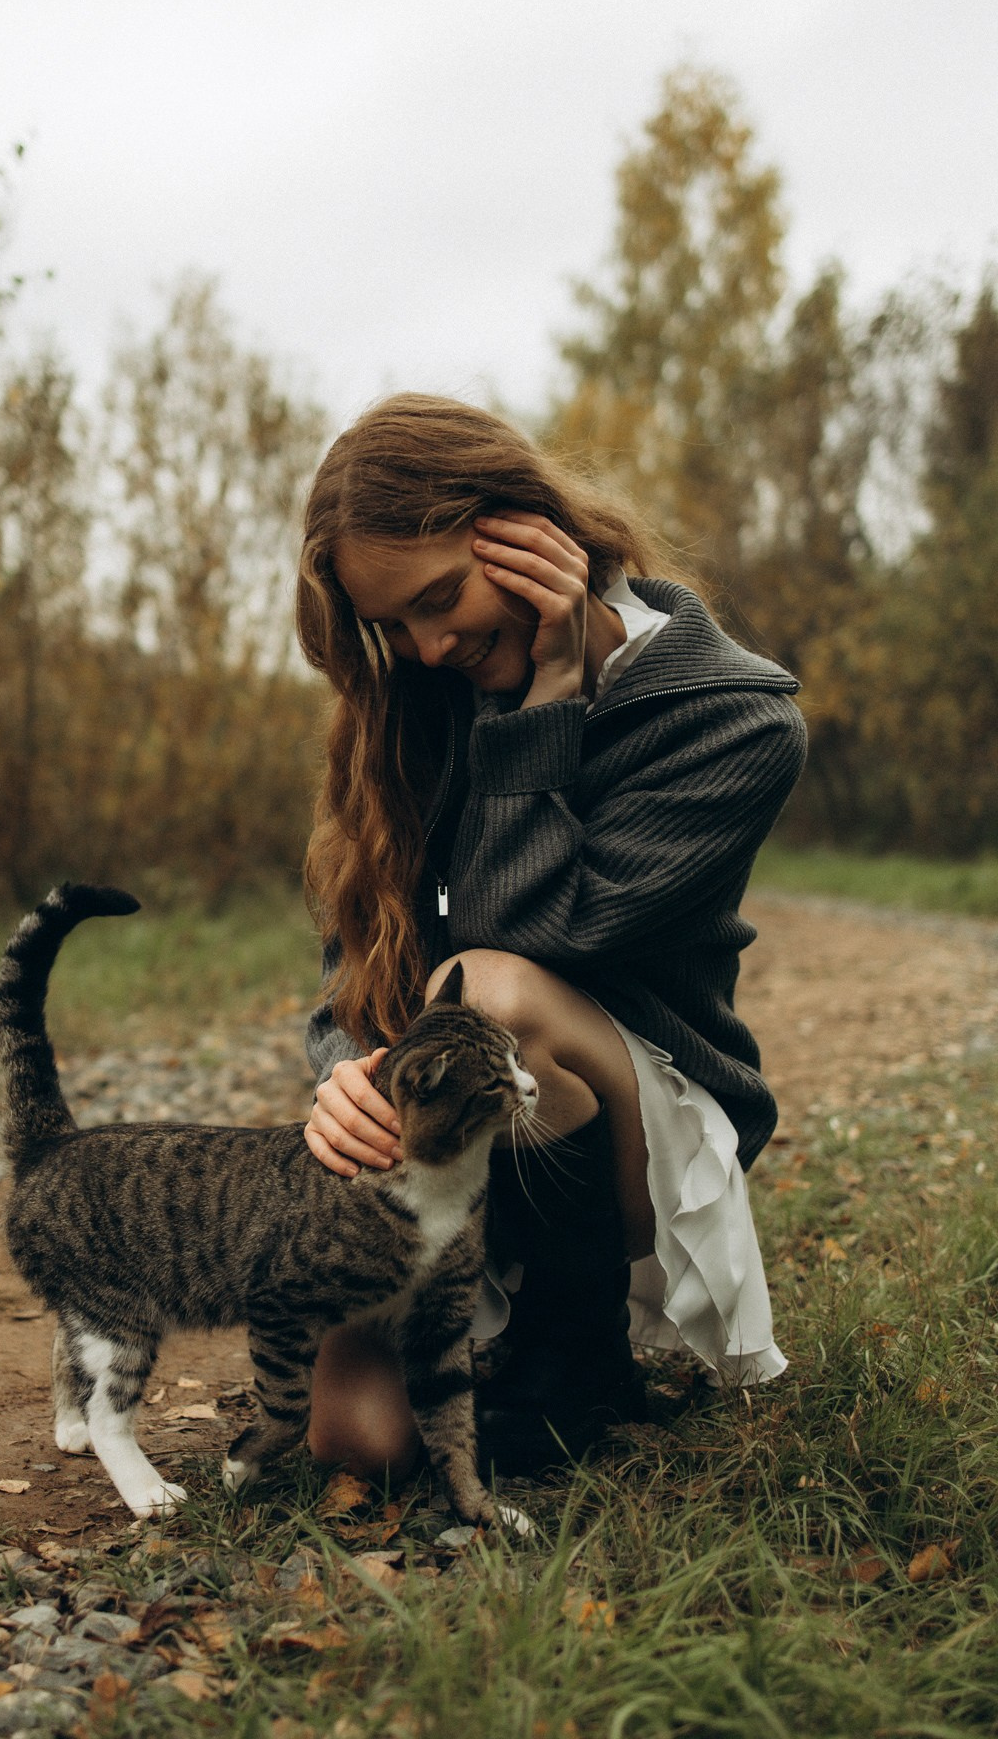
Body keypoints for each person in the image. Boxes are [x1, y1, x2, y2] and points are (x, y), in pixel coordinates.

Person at [293, 394, 808, 1478]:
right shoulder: (421, 698)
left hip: (632, 1129)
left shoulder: (731, 718)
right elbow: (359, 954)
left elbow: (535, 941)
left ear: (528, 529)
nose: (427, 646)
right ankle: (494, 1328)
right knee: (356, 1445)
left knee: (497, 991)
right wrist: (342, 1075)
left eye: (439, 597)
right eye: (392, 626)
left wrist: (543, 706)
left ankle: (575, 1358)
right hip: (462, 1100)